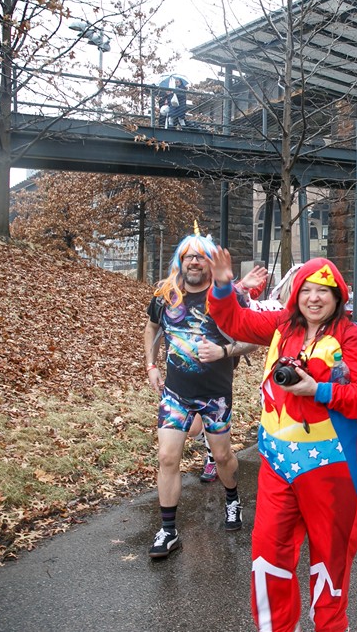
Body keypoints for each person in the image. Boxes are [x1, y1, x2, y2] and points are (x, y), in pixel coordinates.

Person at [207, 252, 357, 632]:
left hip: (332, 469)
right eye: (307, 289)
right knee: (268, 556)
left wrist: (318, 389)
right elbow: (233, 320)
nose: (314, 298)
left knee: (330, 565)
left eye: (324, 291)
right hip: (277, 465)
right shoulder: (283, 326)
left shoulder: (352, 337)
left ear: (338, 298)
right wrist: (223, 287)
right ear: (296, 293)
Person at [142, 230, 258, 560]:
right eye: (188, 255)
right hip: (176, 393)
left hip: (216, 394)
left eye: (201, 255)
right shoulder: (166, 295)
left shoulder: (228, 296)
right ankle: (168, 530)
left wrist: (224, 351)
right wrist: (151, 365)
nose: (194, 260)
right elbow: (151, 327)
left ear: (210, 262)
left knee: (222, 457)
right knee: (167, 457)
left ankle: (232, 497)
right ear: (180, 259)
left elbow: (255, 337)